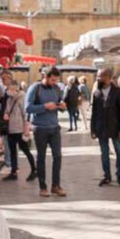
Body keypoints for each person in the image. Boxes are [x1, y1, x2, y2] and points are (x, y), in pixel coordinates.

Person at [26, 66, 67, 198]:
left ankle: (56, 185)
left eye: (56, 80)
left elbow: (59, 103)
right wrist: (44, 106)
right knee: (41, 158)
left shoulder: (56, 88)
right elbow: (28, 108)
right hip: (40, 128)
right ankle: (42, 187)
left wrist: (62, 106)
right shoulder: (35, 88)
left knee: (58, 157)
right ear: (45, 77)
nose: (55, 82)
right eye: (53, 80)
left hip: (54, 127)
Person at [91, 68, 120, 187]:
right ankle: (106, 176)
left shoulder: (118, 92)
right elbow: (94, 113)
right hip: (101, 128)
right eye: (97, 76)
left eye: (100, 76)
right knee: (104, 152)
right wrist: (93, 129)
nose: (98, 79)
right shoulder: (97, 93)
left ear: (108, 77)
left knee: (119, 152)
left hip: (116, 128)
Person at [2, 77, 37, 181]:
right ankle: (13, 172)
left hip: (19, 129)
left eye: (11, 89)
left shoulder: (22, 98)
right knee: (13, 151)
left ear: (16, 88)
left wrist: (26, 129)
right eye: (8, 89)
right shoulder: (9, 99)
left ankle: (34, 170)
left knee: (25, 150)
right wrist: (6, 115)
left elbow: (25, 114)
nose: (9, 91)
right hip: (10, 128)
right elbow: (7, 111)